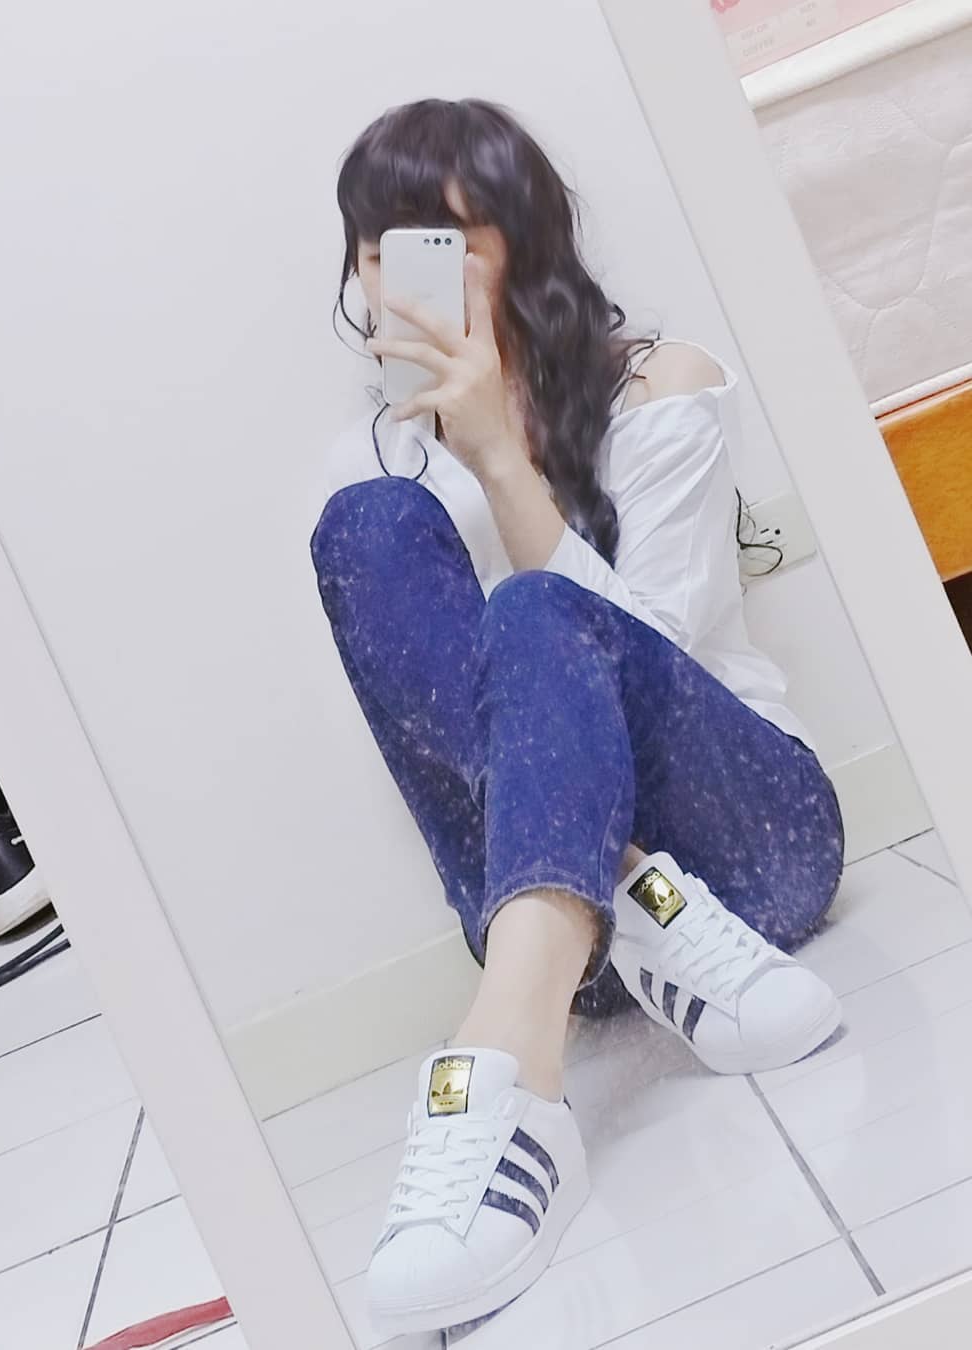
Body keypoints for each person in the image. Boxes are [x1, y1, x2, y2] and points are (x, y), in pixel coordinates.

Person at [309, 98, 845, 1336]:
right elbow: (449, 753)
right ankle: (622, 907)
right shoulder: (383, 463)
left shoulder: (661, 388)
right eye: (383, 248)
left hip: (755, 847)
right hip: (599, 955)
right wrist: (451, 455)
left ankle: (508, 1083)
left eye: (450, 239)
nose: (411, 275)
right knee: (364, 528)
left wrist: (503, 458)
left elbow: (658, 650)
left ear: (528, 239)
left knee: (540, 610)